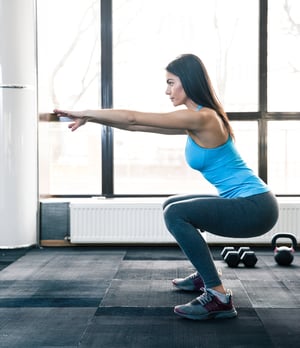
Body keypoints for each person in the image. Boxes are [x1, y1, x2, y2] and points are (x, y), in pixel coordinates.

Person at [54, 53, 279, 321]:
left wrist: (84, 111)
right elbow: (136, 126)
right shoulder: (195, 119)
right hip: (251, 202)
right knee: (172, 205)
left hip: (255, 207)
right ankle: (205, 274)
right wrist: (93, 119)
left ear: (189, 82)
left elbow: (134, 118)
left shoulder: (203, 118)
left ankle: (218, 297)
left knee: (176, 214)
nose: (167, 90)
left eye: (171, 83)